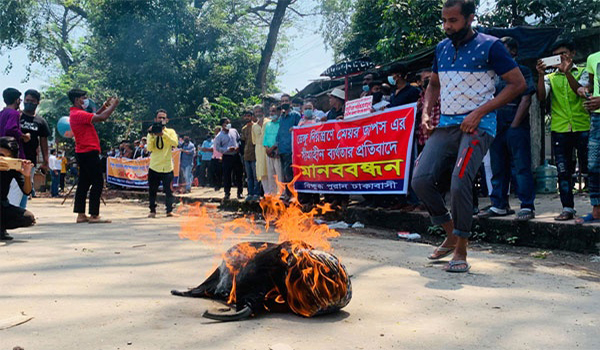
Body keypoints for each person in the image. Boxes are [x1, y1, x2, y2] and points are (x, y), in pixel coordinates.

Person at [411, 0, 526, 273]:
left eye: (453, 21)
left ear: (470, 18)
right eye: (444, 21)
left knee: (460, 180)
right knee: (420, 179)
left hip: (479, 124)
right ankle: (451, 233)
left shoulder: (491, 46)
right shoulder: (441, 48)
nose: (447, 27)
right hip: (447, 124)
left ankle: (461, 248)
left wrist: (480, 112)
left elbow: (518, 83)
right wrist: (427, 113)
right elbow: (434, 85)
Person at [478, 37, 537, 221]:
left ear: (513, 52)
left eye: (503, 49)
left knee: (520, 167)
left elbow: (526, 98)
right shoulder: (492, 74)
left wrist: (514, 125)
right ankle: (499, 205)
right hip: (497, 126)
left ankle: (527, 206)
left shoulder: (523, 71)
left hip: (515, 126)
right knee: (498, 166)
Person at [536, 39, 590, 221]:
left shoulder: (583, 72)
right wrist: (540, 75)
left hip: (583, 126)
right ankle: (568, 207)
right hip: (560, 129)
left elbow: (580, 91)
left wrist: (567, 74)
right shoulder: (549, 77)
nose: (560, 58)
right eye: (556, 56)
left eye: (564, 54)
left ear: (572, 54)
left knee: (591, 168)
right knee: (563, 171)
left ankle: (595, 206)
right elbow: (541, 97)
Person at [68, 89, 119, 223]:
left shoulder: (76, 114)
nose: (86, 100)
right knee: (97, 182)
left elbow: (94, 115)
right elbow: (101, 118)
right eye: (84, 97)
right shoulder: (78, 113)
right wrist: (114, 105)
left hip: (82, 152)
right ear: (77, 99)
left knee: (84, 183)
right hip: (89, 151)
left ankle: (81, 214)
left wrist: (105, 106)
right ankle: (94, 215)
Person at [574, 51, 600, 223]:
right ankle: (597, 210)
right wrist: (584, 90)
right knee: (594, 164)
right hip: (597, 118)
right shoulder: (593, 58)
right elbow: (591, 84)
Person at [0, 136, 35, 241]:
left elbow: (27, 191)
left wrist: (27, 176)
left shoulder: (14, 168)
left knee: (28, 218)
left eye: (4, 156)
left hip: (2, 205)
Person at [19, 89, 50, 207]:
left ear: (38, 102)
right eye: (27, 100)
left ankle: (21, 211)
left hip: (30, 159)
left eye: (32, 101)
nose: (29, 103)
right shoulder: (17, 116)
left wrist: (46, 161)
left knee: (26, 187)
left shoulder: (41, 121)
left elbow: (43, 142)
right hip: (14, 157)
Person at [146, 109, 178, 218]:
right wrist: (154, 135)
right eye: (160, 117)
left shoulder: (171, 132)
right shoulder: (151, 132)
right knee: (152, 190)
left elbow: (175, 143)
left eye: (164, 118)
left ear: (167, 120)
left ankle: (169, 210)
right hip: (154, 166)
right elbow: (150, 148)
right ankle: (152, 210)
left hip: (167, 166)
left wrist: (163, 134)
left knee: (169, 191)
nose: (161, 120)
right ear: (155, 119)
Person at [276, 95, 302, 199]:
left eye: (286, 101)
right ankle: (288, 194)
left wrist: (295, 128)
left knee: (291, 174)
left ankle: (293, 195)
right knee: (285, 174)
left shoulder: (295, 115)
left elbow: (301, 128)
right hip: (282, 149)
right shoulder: (281, 117)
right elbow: (279, 133)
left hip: (292, 149)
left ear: (290, 102)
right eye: (282, 101)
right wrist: (277, 146)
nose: (284, 103)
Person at [215, 118, 243, 200]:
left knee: (239, 174)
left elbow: (239, 140)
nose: (228, 124)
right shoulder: (219, 136)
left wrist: (238, 146)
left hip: (236, 155)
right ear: (222, 125)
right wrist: (227, 149)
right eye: (226, 123)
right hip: (227, 157)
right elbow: (217, 148)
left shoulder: (234, 131)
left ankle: (240, 192)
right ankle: (227, 193)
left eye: (229, 123)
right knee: (227, 175)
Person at [0, 88, 30, 159]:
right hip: (11, 153)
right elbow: (11, 128)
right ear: (17, 100)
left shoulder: (1, 113)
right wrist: (25, 136)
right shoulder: (14, 113)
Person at [263, 105, 283, 195]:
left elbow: (280, 138)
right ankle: (273, 195)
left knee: (279, 175)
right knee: (270, 175)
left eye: (274, 111)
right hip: (268, 153)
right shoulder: (268, 124)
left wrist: (273, 148)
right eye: (271, 111)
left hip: (277, 151)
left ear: (279, 112)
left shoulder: (281, 123)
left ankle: (281, 194)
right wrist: (267, 148)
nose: (272, 113)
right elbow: (265, 138)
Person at [241, 110, 260, 201]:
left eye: (249, 116)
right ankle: (250, 193)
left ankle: (256, 193)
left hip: (255, 154)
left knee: (256, 176)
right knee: (249, 177)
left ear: (252, 116)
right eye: (246, 116)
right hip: (246, 155)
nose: (247, 118)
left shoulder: (256, 127)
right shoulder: (244, 129)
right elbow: (243, 141)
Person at [252, 105, 268, 197]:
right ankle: (266, 194)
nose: (258, 113)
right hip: (258, 150)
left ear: (263, 112)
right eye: (256, 112)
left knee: (271, 172)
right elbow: (254, 140)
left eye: (259, 111)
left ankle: (275, 194)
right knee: (262, 173)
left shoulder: (269, 123)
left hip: (269, 149)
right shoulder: (254, 126)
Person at [209, 126, 223, 191]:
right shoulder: (215, 138)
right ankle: (215, 184)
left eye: (216, 130)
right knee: (212, 171)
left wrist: (222, 156)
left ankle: (219, 185)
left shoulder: (221, 138)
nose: (215, 132)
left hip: (219, 157)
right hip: (214, 156)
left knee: (219, 172)